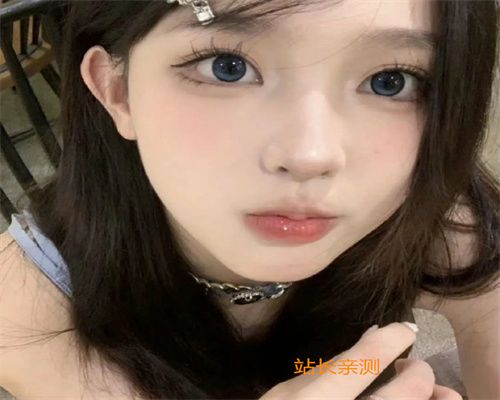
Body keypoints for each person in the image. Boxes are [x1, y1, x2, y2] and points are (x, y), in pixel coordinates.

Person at [0, 0, 498, 398]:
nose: (309, 155)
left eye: (391, 82)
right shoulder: (24, 311)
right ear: (116, 89)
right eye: (228, 67)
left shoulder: (445, 221)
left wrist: (367, 368)